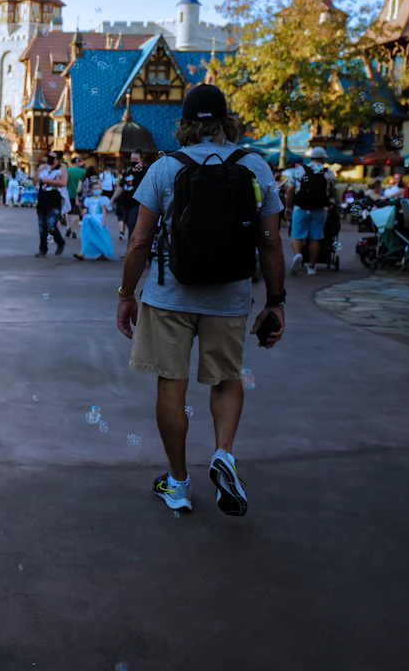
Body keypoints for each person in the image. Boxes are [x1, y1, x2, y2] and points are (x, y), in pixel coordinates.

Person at [116, 84, 286, 519]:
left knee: (172, 384)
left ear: (186, 123)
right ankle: (223, 455)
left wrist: (126, 295)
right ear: (226, 119)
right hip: (230, 295)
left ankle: (177, 483)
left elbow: (139, 242)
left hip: (169, 294)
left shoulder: (164, 167)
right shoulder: (256, 166)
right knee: (227, 379)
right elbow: (270, 244)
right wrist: (276, 301)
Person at [286, 146, 336, 276]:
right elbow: (332, 191)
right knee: (316, 237)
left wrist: (288, 206)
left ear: (310, 157)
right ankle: (312, 267)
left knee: (297, 235)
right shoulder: (328, 173)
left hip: (300, 207)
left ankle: (298, 255)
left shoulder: (299, 170)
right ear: (323, 158)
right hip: (320, 209)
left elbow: (290, 190)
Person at [35, 151, 68, 257]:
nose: (49, 159)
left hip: (54, 201)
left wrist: (47, 181)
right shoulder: (44, 168)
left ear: (57, 159)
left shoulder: (61, 169)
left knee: (51, 225)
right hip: (42, 200)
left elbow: (63, 183)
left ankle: (60, 242)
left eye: (52, 157)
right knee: (42, 227)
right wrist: (39, 170)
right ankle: (43, 249)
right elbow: (35, 180)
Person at [111, 151, 146, 240]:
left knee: (132, 226)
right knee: (128, 225)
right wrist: (113, 198)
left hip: (137, 203)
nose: (133, 161)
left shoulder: (144, 172)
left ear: (141, 160)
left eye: (136, 159)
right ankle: (130, 251)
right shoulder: (128, 170)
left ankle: (130, 252)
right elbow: (121, 186)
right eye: (132, 159)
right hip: (126, 204)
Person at [77, 185, 114, 260]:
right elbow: (86, 209)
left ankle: (103, 252)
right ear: (91, 190)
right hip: (90, 219)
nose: (97, 190)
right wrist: (83, 212)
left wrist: (103, 221)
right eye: (95, 188)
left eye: (98, 188)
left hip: (98, 219)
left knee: (100, 236)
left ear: (101, 190)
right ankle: (83, 253)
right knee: (87, 236)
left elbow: (104, 211)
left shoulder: (103, 199)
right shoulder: (88, 200)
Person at [64, 158, 87, 240]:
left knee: (67, 212)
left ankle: (68, 227)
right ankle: (74, 230)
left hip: (68, 193)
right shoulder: (83, 172)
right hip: (79, 194)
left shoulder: (67, 170)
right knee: (76, 213)